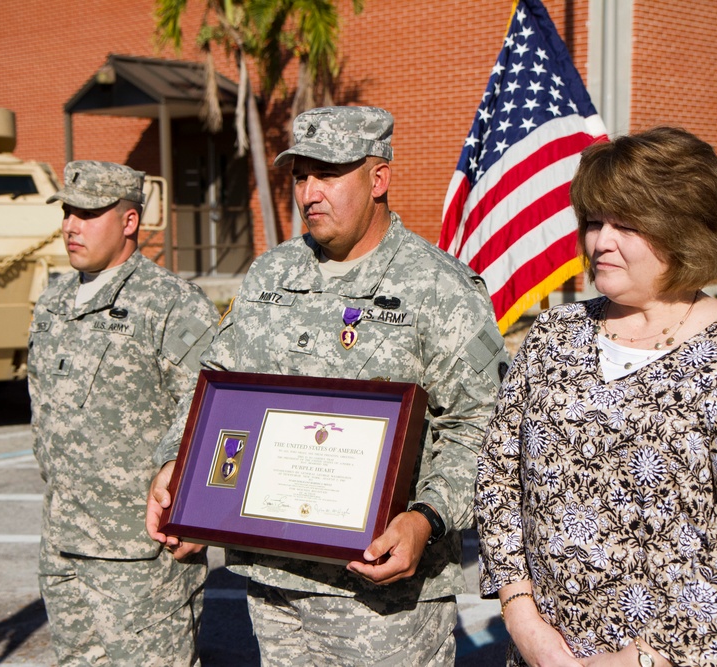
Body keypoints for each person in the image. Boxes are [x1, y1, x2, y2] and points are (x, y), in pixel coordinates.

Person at [147, 106, 510, 665]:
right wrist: (182, 468)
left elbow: (481, 424)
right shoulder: (273, 274)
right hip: (273, 580)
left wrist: (426, 518)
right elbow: (218, 385)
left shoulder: (440, 288)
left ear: (378, 177)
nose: (309, 192)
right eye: (300, 176)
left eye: (329, 174)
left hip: (383, 603)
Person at [475, 127, 717, 667]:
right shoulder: (552, 336)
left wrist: (639, 659)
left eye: (626, 225)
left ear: (685, 230)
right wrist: (522, 618)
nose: (600, 241)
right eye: (594, 221)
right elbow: (497, 478)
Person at [29, 160, 217, 666]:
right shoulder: (53, 302)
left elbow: (207, 407)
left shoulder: (171, 304)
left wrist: (195, 509)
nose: (71, 225)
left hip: (140, 553)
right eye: (68, 211)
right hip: (63, 539)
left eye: (88, 213)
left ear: (129, 221)